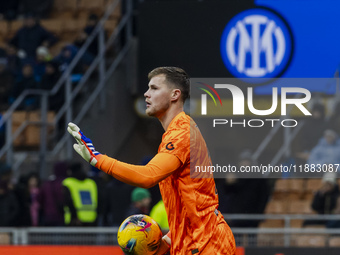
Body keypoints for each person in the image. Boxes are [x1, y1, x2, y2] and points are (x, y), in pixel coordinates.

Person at [68, 67, 236, 254]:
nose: (146, 94)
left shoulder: (181, 133)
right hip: (197, 242)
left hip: (208, 244)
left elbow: (148, 176)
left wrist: (97, 159)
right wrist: (164, 242)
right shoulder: (177, 132)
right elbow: (195, 209)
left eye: (154, 88)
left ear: (175, 95)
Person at [38, 161, 68, 226]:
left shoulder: (47, 184)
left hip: (48, 216)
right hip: (61, 217)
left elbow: (40, 199)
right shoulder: (66, 183)